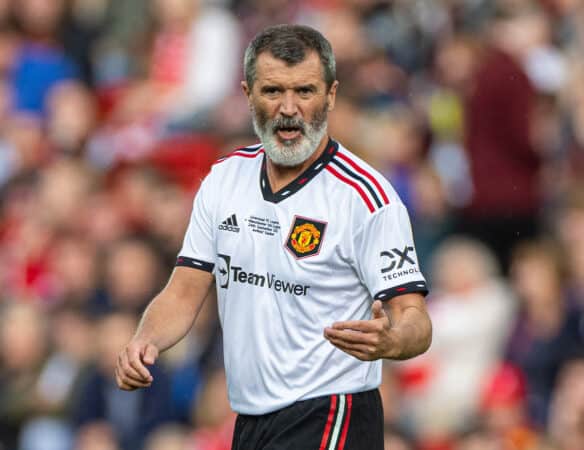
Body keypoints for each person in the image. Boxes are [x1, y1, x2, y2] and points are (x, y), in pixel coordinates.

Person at [115, 24, 432, 450]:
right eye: (272, 92)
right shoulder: (224, 179)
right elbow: (184, 291)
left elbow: (415, 318)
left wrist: (393, 340)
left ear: (331, 95)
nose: (289, 108)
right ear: (247, 94)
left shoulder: (367, 199)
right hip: (250, 419)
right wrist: (144, 340)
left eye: (304, 91)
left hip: (332, 412)